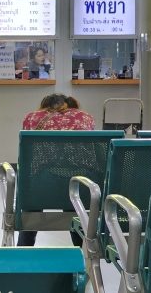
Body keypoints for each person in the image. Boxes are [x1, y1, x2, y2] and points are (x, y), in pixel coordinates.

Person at [18, 93, 95, 247]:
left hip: (39, 187)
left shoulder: (32, 118)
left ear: (44, 105)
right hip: (79, 186)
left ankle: (24, 248)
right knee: (72, 190)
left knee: (34, 181)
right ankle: (80, 249)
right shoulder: (85, 117)